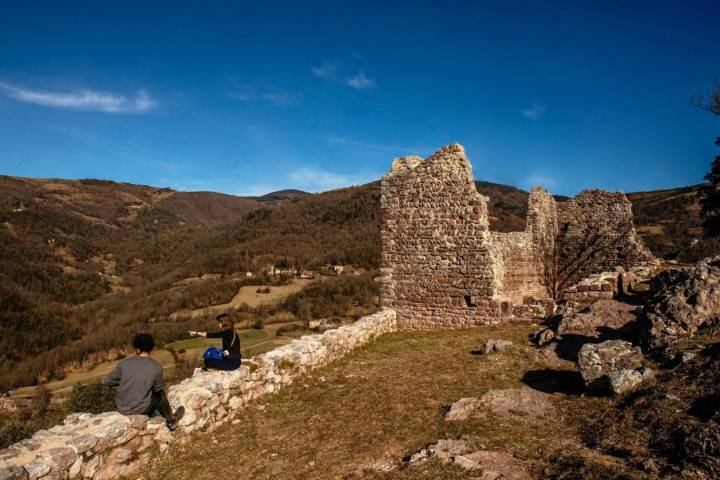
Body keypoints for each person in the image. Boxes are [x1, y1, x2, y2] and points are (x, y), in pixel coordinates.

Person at [104, 333, 185, 430]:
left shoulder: (124, 363)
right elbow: (157, 391)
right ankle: (171, 420)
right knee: (160, 394)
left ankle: (156, 415)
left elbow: (108, 381)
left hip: (121, 408)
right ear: (151, 348)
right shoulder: (156, 367)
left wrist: (124, 384)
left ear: (137, 348)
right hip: (140, 409)